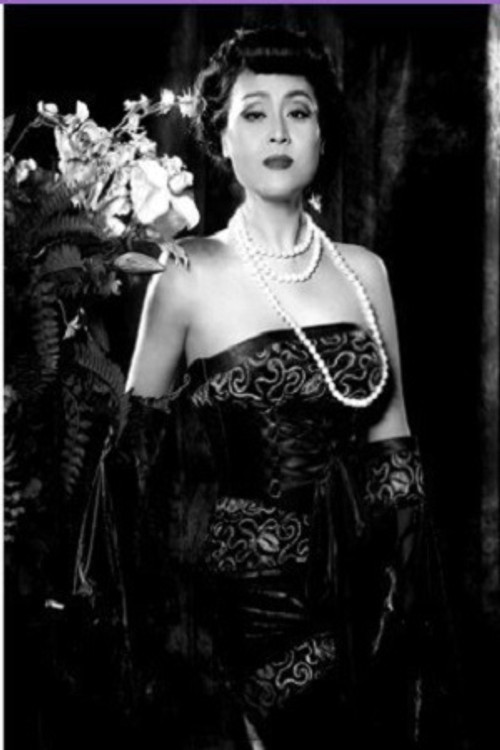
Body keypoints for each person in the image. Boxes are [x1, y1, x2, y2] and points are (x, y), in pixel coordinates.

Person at [110, 26, 453, 750]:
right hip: (243, 596)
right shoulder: (186, 274)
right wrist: (172, 634)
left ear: (322, 135)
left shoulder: (366, 273)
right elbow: (133, 468)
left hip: (360, 589)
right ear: (222, 138)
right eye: (254, 112)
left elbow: (394, 453)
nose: (278, 131)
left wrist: (403, 598)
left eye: (298, 111)